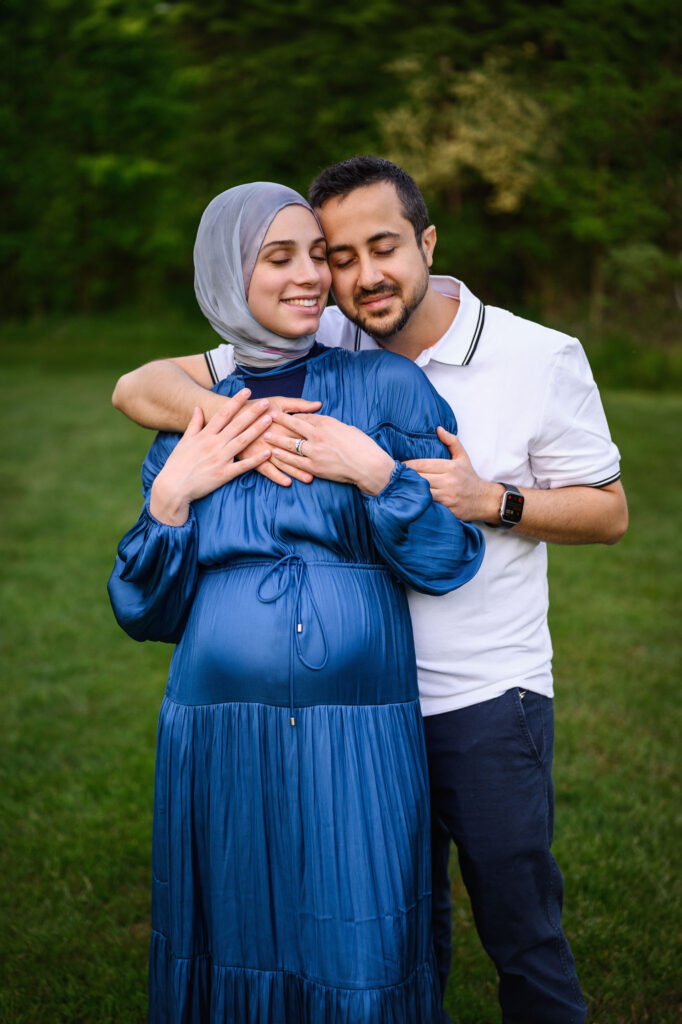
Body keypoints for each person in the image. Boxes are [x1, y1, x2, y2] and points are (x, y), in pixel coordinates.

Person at [112, 158, 628, 1024]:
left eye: (365, 250)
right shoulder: (292, 357)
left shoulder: (517, 359)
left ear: (427, 242)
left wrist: (469, 494)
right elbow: (140, 386)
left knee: (510, 920)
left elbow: (598, 516)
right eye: (321, 255)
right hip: (274, 716)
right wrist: (203, 451)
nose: (339, 276)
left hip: (471, 689)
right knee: (348, 920)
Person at [108, 181, 484, 1023]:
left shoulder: (386, 387)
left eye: (318, 255)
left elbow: (449, 560)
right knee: (235, 933)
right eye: (281, 258)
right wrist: (171, 501)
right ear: (224, 276)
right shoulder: (189, 421)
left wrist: (377, 473)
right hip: (215, 728)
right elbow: (144, 614)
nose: (312, 276)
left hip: (358, 727)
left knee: (360, 936)